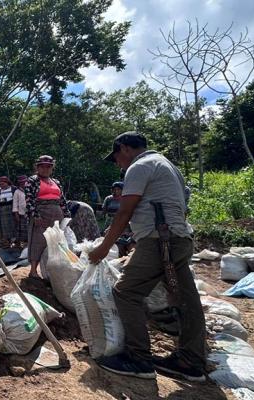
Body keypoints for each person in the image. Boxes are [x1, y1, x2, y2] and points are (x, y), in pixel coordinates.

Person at [89, 131, 206, 382]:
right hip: (178, 238)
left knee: (125, 292)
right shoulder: (169, 166)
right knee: (186, 299)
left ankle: (138, 359)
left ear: (124, 148)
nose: (118, 163)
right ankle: (191, 360)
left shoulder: (139, 166)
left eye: (117, 157)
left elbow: (124, 212)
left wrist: (102, 248)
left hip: (159, 242)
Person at [26, 155, 70, 277]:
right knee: (38, 241)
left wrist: (67, 215)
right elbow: (29, 199)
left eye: (48, 167)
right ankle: (33, 271)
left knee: (56, 241)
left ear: (52, 168)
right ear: (37, 167)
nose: (45, 169)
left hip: (57, 214)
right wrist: (35, 215)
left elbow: (62, 200)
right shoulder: (32, 180)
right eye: (42, 166)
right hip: (41, 214)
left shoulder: (56, 182)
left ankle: (53, 271)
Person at [103, 181, 134, 256]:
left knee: (121, 241)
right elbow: (104, 209)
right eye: (114, 189)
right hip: (110, 220)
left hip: (122, 222)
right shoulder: (109, 199)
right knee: (107, 237)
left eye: (118, 189)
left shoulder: (125, 200)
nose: (116, 191)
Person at [0, 176, 16, 245]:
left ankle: (16, 241)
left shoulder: (13, 189)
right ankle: (8, 241)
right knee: (5, 227)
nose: (2, 185)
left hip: (12, 209)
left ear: (7, 183)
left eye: (3, 183)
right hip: (3, 210)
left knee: (14, 225)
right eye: (0, 184)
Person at [12, 175, 29, 247]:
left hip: (31, 213)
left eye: (24, 182)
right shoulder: (17, 192)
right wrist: (16, 214)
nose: (23, 183)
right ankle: (20, 244)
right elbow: (15, 204)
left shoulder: (30, 190)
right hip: (21, 214)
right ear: (19, 183)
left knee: (29, 229)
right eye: (21, 182)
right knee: (21, 230)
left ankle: (29, 243)